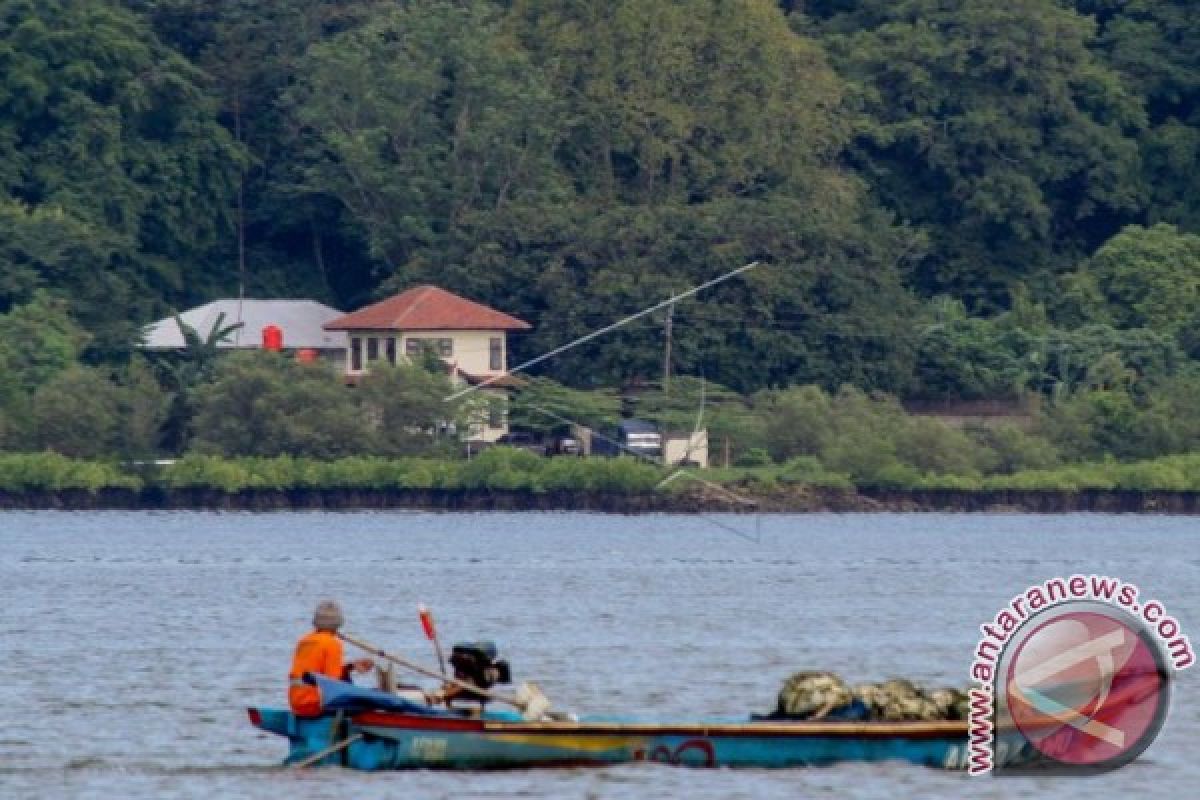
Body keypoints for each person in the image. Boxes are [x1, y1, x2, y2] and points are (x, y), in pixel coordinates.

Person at [288, 600, 374, 717]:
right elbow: (333, 684)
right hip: (314, 704)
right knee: (367, 704)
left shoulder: (304, 641)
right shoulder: (332, 644)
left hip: (296, 703)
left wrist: (350, 667)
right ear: (338, 624)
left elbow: (317, 674)